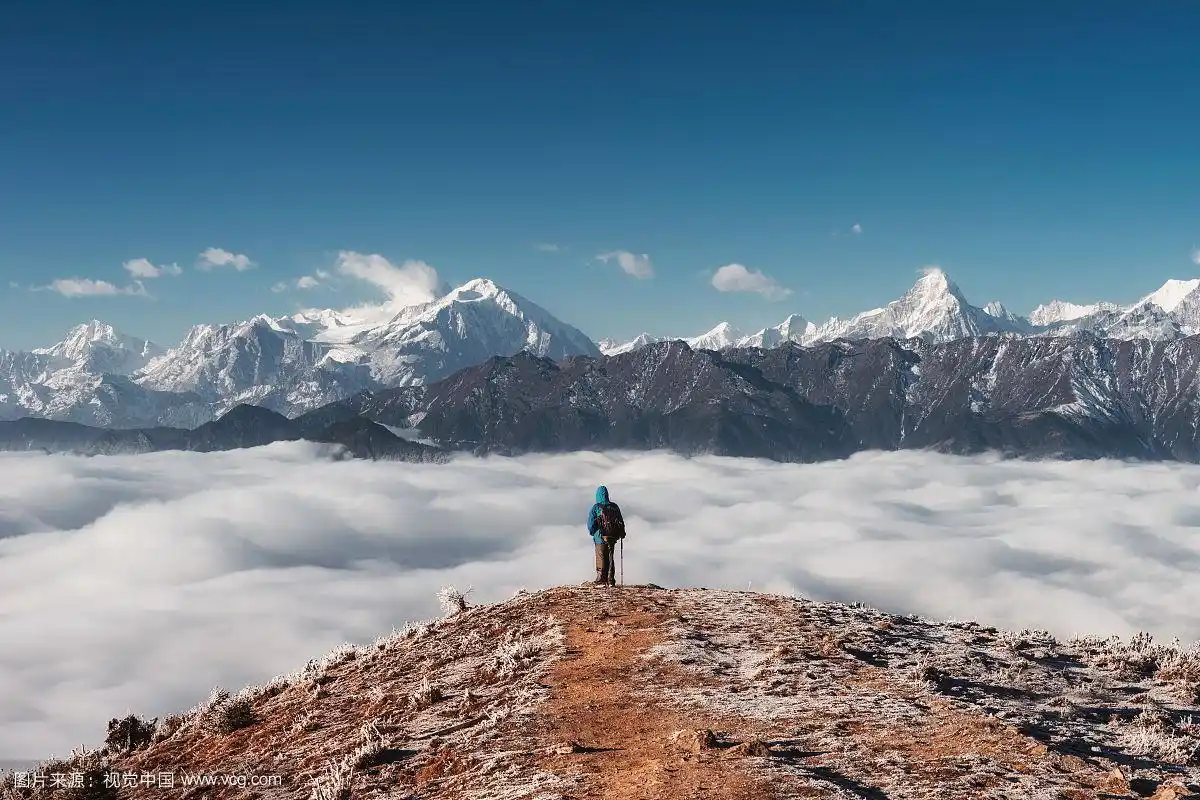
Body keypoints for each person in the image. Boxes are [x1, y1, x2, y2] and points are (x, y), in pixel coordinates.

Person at [587, 485, 625, 585]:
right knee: (610, 556)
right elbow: (620, 521)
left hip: (600, 536)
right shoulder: (614, 506)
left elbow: (591, 524)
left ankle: (601, 579)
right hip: (613, 536)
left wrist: (592, 533)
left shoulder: (596, 507)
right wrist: (621, 533)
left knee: (601, 557)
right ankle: (611, 580)